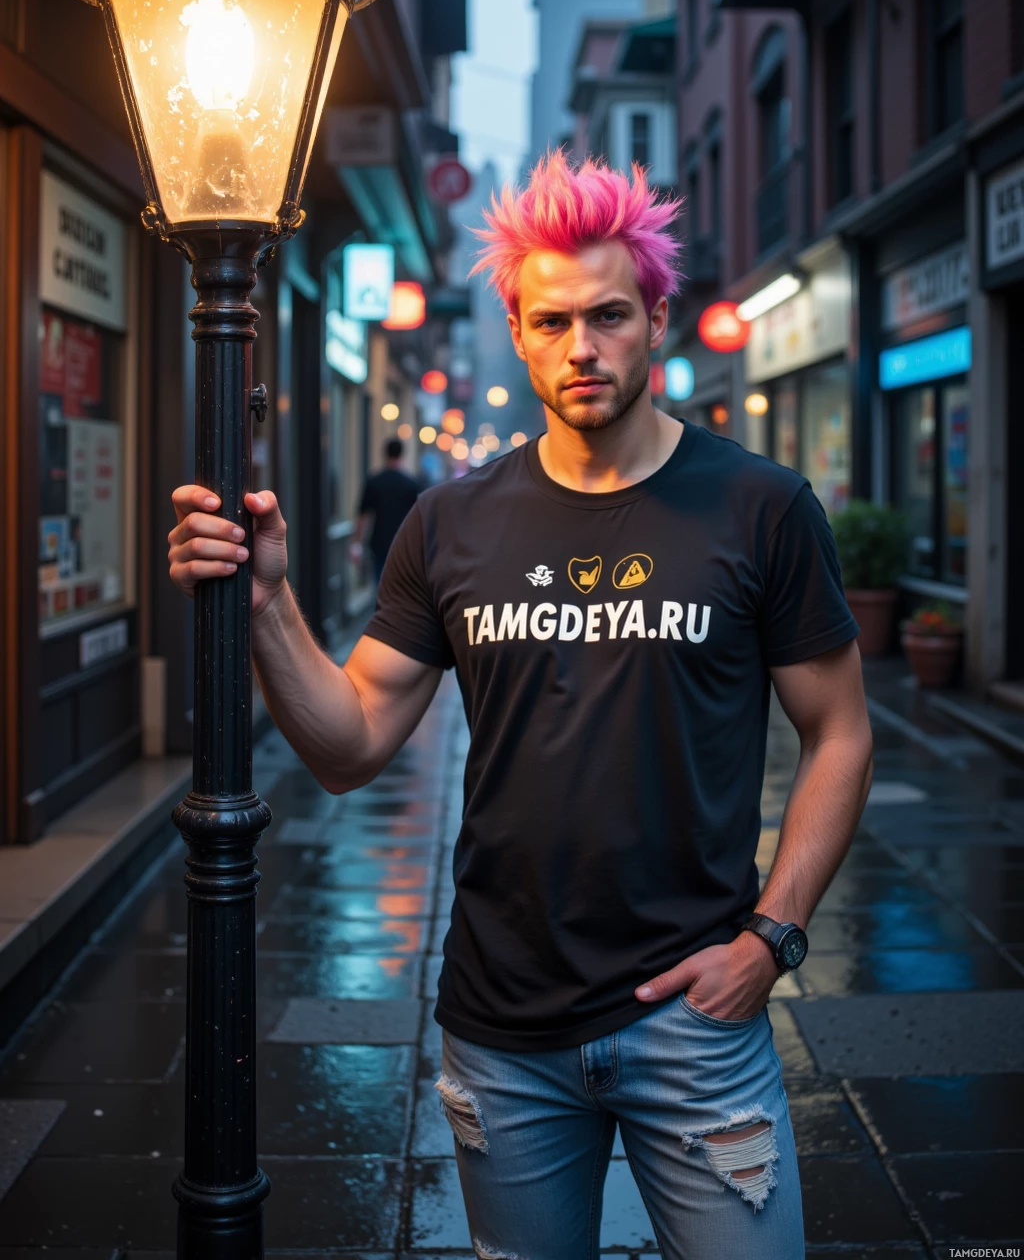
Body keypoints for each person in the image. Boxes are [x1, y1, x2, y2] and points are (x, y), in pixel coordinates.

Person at [167, 150, 872, 1259]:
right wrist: (265, 604)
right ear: (516, 329)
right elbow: (348, 744)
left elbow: (839, 733)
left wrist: (771, 939)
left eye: (607, 315)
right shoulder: (451, 523)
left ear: (655, 317)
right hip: (501, 1031)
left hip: (696, 1021)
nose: (580, 347)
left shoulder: (761, 508)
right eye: (551, 322)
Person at [350, 436, 420, 581]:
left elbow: (363, 515)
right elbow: (419, 519)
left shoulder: (374, 482)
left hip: (379, 543)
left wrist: (356, 543)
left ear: (385, 454)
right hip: (403, 545)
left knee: (380, 585)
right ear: (402, 455)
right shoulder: (412, 484)